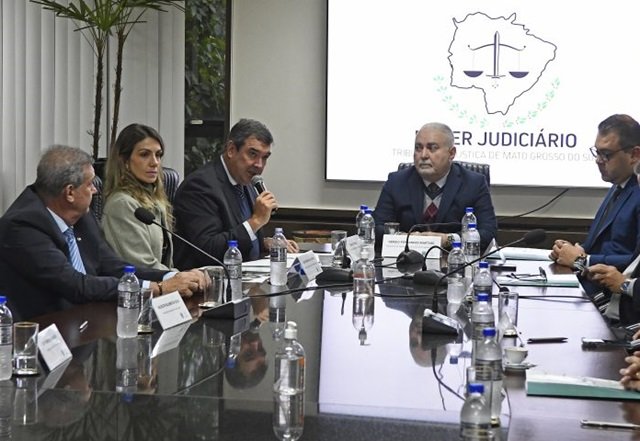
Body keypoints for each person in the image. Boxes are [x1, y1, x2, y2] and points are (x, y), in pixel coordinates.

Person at [0, 146, 206, 320]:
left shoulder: (79, 215)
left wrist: (173, 276)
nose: (95, 190)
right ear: (70, 192)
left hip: (90, 322)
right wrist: (158, 288)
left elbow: (114, 267)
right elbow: (76, 285)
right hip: (42, 334)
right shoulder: (22, 226)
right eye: (90, 184)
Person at [173, 118, 298, 268]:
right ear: (231, 150)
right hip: (207, 279)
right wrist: (256, 221)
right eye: (253, 154)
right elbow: (208, 250)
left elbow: (240, 233)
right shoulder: (199, 186)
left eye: (264, 157)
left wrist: (266, 243)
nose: (259, 165)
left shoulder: (246, 181)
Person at [372, 122, 497, 252]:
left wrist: (448, 239)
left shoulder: (474, 183)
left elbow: (488, 233)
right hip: (406, 259)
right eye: (418, 148)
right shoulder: (396, 182)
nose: (423, 155)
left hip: (454, 259)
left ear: (451, 153)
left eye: (432, 148)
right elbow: (376, 228)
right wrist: (404, 238)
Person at [550, 114, 640, 278]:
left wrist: (582, 260)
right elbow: (600, 246)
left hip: (615, 290)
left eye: (606, 154)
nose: (598, 160)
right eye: (597, 152)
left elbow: (636, 263)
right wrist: (570, 251)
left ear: (634, 155)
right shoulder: (617, 185)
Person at [102, 123, 180, 271]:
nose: (154, 162)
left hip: (161, 283)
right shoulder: (122, 204)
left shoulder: (156, 200)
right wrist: (180, 277)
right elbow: (142, 266)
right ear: (124, 161)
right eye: (144, 155)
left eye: (158, 155)